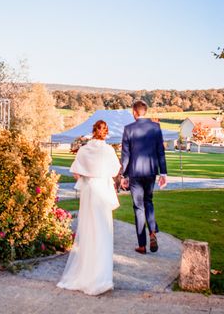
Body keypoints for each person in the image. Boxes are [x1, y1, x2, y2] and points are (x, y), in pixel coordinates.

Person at [57, 120, 121, 296]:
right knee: (103, 231)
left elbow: (76, 171)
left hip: (89, 191)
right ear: (106, 133)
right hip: (103, 190)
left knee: (88, 231)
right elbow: (115, 171)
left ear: (93, 131)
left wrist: (86, 178)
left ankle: (85, 273)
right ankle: (102, 278)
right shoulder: (109, 150)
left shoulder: (84, 149)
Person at [120, 100, 168, 254]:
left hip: (135, 173)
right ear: (145, 111)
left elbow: (126, 154)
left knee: (138, 207)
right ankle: (152, 231)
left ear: (134, 112)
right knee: (148, 201)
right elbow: (160, 151)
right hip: (151, 172)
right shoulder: (155, 127)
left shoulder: (128, 129)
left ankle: (142, 245)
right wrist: (163, 173)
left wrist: (124, 175)